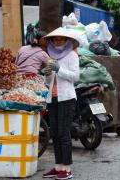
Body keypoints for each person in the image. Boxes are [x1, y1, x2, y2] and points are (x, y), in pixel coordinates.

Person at [41, 28, 80, 180]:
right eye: (55, 39)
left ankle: (67, 169)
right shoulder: (50, 56)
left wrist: (59, 69)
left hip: (67, 98)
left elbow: (75, 77)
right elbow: (49, 81)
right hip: (53, 98)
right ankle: (58, 167)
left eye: (61, 39)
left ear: (66, 41)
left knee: (64, 133)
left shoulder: (72, 55)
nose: (58, 42)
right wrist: (48, 73)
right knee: (55, 133)